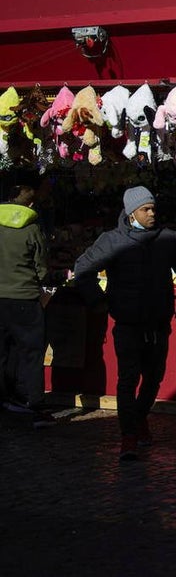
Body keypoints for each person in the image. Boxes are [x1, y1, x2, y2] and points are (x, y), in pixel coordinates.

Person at [72, 186, 176, 460]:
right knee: (128, 379)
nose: (152, 213)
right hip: (127, 321)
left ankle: (140, 417)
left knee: (154, 378)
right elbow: (83, 269)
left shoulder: (167, 239)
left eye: (153, 208)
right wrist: (99, 300)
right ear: (132, 214)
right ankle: (128, 434)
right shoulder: (112, 240)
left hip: (158, 320)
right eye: (146, 209)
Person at [0, 171, 52, 427]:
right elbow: (41, 269)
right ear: (23, 191)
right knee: (31, 353)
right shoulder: (31, 227)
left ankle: (5, 400)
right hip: (24, 299)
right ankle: (34, 405)